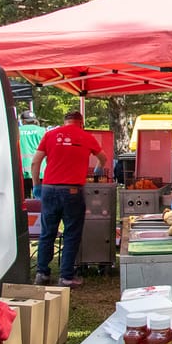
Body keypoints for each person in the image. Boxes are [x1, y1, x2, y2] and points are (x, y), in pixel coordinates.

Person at [31, 111, 107, 288]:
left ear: (64, 122)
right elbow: (102, 158)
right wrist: (98, 169)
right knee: (71, 233)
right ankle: (66, 276)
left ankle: (42, 273)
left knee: (47, 232)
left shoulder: (49, 135)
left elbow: (36, 162)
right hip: (72, 190)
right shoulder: (86, 136)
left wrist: (36, 185)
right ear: (81, 123)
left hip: (49, 189)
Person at [19, 110, 46, 198]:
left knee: (25, 199)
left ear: (23, 121)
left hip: (22, 171)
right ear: (34, 120)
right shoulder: (42, 131)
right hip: (40, 171)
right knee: (39, 201)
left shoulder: (17, 131)